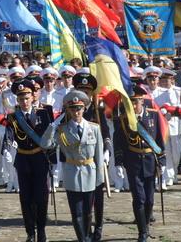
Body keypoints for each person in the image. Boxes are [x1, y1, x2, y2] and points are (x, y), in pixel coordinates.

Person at [42, 90, 104, 242]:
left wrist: (100, 178)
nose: (76, 112)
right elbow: (45, 144)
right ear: (68, 110)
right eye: (73, 108)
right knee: (76, 212)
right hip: (72, 172)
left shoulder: (94, 128)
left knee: (88, 211)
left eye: (79, 108)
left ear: (84, 109)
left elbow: (98, 155)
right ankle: (82, 239)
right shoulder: (62, 129)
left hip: (90, 171)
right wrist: (52, 126)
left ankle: (88, 236)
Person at [114, 86, 166, 242]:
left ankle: (147, 224)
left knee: (150, 199)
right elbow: (119, 141)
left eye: (136, 102)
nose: (134, 105)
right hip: (133, 161)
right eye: (131, 102)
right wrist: (119, 160)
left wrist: (162, 159)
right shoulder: (123, 119)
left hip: (150, 160)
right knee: (139, 198)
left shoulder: (154, 115)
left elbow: (158, 139)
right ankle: (142, 232)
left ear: (142, 101)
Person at [4, 79, 51, 242]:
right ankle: (30, 232)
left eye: (27, 97)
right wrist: (8, 146)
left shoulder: (43, 113)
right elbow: (9, 133)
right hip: (23, 158)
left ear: (32, 97)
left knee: (41, 196)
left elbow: (49, 134)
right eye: (21, 98)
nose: (24, 101)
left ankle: (42, 229)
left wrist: (52, 155)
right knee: (26, 198)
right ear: (17, 100)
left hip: (39, 158)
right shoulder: (13, 116)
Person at [73, 73, 110, 241]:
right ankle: (85, 230)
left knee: (98, 195)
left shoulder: (97, 107)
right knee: (83, 195)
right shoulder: (72, 109)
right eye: (81, 90)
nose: (85, 94)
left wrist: (107, 151)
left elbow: (105, 132)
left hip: (97, 158)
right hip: (79, 159)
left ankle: (99, 226)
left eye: (87, 91)